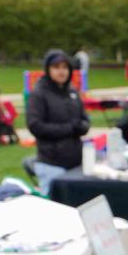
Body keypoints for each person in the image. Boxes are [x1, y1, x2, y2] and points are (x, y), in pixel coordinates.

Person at [26, 49, 90, 195]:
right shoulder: (39, 94)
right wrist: (69, 128)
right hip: (51, 163)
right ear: (48, 69)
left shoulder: (72, 92)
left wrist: (82, 127)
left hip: (76, 163)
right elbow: (35, 125)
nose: (61, 72)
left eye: (65, 67)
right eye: (56, 67)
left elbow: (84, 119)